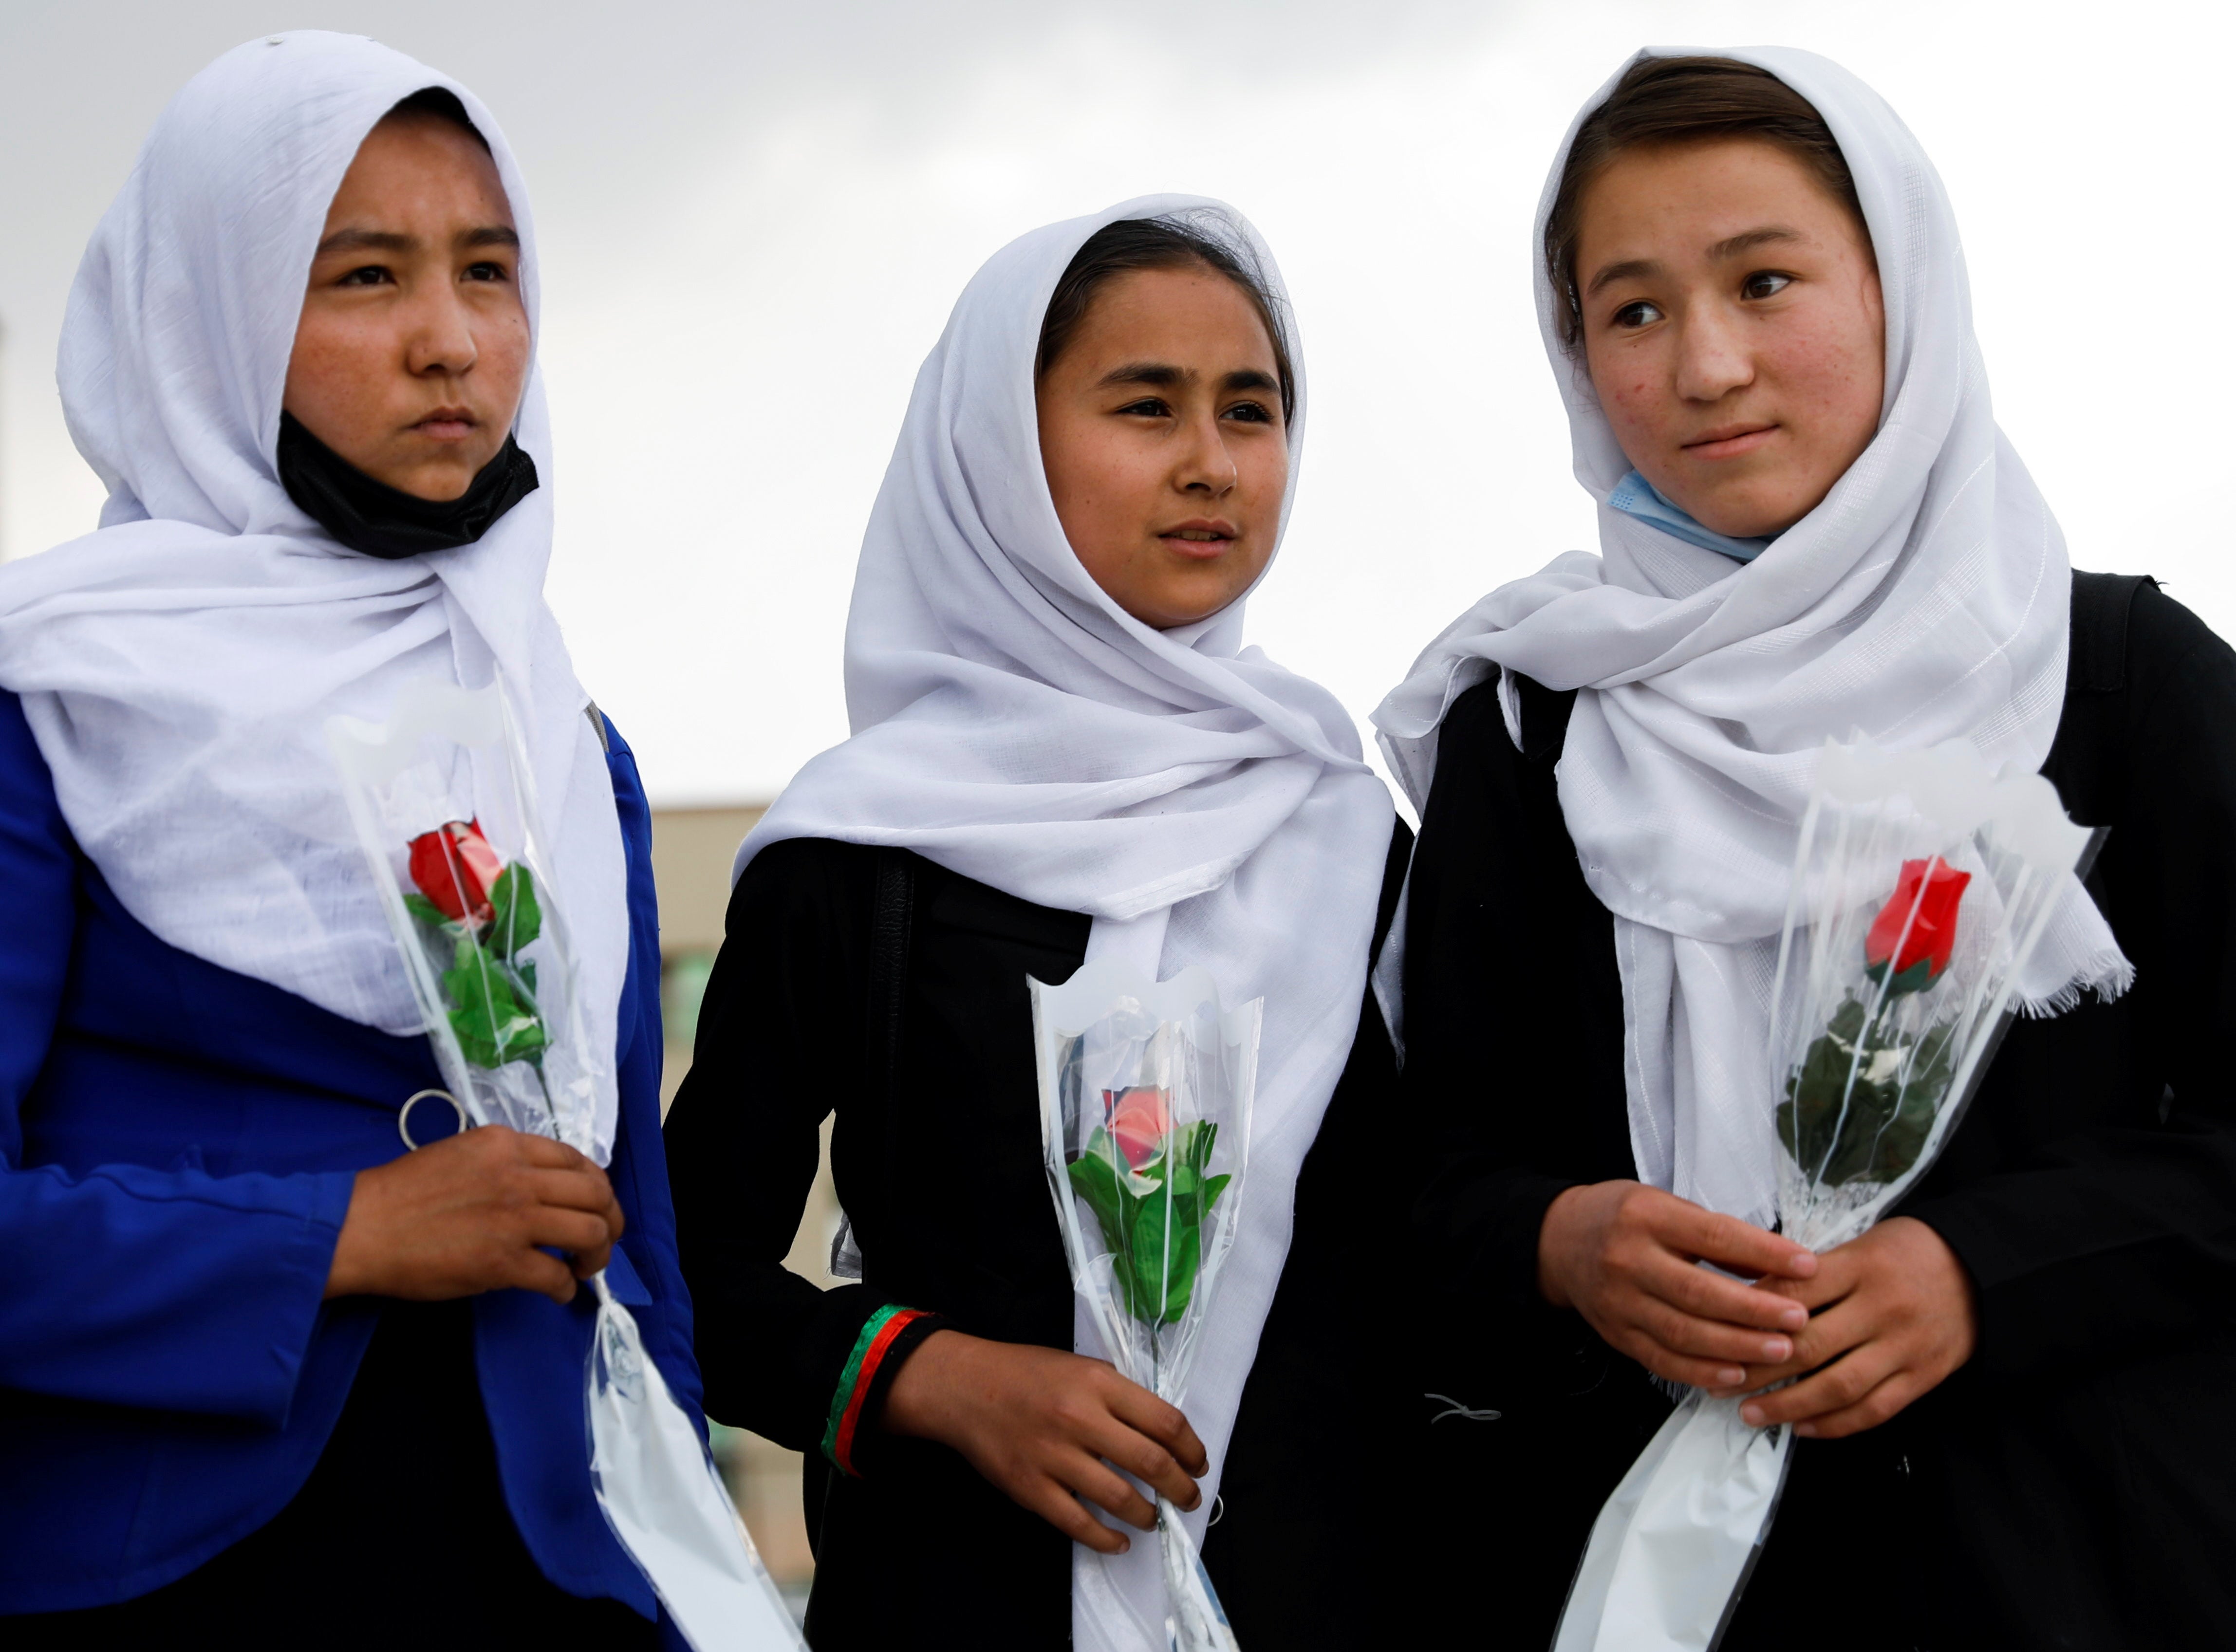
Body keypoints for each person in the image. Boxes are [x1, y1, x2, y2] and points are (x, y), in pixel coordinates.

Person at [1376, 48, 2236, 1650]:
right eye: (1630, 311)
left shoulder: (2115, 684)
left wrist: (1984, 1268)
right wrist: (1563, 1243)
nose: (1706, 366)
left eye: (1766, 282)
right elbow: (1415, 1190)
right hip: (1644, 1590)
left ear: (1902, 287)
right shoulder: (1537, 732)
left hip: (2084, 1581)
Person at [0, 34, 694, 1644]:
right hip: (171, 1573)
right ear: (209, 318)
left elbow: (631, 1246)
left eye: (492, 271)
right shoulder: (54, 700)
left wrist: (683, 1583)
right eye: (365, 277)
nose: (452, 343)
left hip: (551, 1573)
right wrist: (352, 1231)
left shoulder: (565, 747)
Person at [666, 202, 1402, 1650]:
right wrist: (934, 1378)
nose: (1209, 462)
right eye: (1145, 405)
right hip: (952, 1606)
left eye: (1250, 411)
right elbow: (680, 1271)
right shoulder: (864, 853)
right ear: (1001, 448)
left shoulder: (1356, 840)